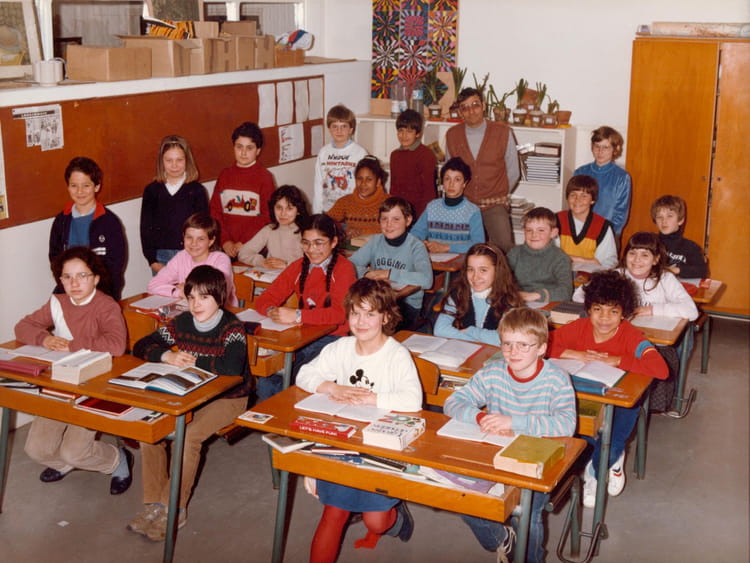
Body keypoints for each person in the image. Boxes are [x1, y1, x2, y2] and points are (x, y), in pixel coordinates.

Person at [296, 278, 421, 562]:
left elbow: (413, 400)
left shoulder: (396, 355)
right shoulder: (341, 348)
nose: (361, 322)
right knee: (334, 511)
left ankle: (396, 517)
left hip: (379, 445)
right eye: (355, 313)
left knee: (375, 522)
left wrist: (372, 398)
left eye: (370, 314)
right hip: (343, 441)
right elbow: (304, 375)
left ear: (386, 317)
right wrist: (332, 387)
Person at [444, 307, 576, 563]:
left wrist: (514, 423)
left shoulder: (557, 379)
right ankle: (504, 539)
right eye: (507, 344)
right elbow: (453, 402)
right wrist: (480, 417)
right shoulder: (493, 373)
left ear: (541, 348)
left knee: (526, 513)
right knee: (460, 496)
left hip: (536, 459)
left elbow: (566, 424)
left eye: (523, 345)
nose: (513, 352)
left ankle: (530, 558)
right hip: (495, 452)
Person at [129, 265, 250, 541]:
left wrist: (194, 361)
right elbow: (142, 345)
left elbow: (232, 368)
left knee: (187, 438)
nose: (196, 304)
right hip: (191, 393)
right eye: (191, 297)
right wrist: (166, 356)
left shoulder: (231, 327)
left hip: (229, 397)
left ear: (220, 298)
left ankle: (174, 507)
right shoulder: (182, 322)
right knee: (151, 431)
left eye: (204, 297)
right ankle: (154, 504)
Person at [16, 247, 132, 494]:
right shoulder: (57, 302)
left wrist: (72, 345)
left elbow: (116, 345)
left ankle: (116, 459)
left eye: (82, 275)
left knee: (75, 451)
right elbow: (22, 327)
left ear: (96, 278)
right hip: (61, 383)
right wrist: (44, 338)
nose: (74, 283)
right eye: (67, 277)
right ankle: (68, 464)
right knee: (36, 450)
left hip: (94, 385)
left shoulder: (106, 305)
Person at [550, 270, 668, 507]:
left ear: (624, 313)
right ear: (588, 309)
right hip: (585, 397)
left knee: (610, 445)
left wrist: (618, 360)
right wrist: (574, 353)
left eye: (613, 311)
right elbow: (538, 345)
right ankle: (606, 460)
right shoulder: (579, 327)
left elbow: (661, 369)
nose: (604, 318)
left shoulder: (631, 336)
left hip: (621, 401)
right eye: (598, 309)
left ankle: (596, 474)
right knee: (574, 436)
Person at [254, 214, 357, 400]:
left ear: (333, 242)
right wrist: (272, 311)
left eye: (319, 243)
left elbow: (340, 314)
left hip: (333, 339)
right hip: (301, 337)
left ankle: (283, 414)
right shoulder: (298, 267)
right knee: (268, 379)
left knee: (290, 380)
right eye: (306, 243)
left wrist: (298, 315)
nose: (312, 250)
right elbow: (264, 299)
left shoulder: (344, 269)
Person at [445, 87, 521, 252]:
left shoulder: (503, 132)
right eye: (465, 107)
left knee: (504, 247)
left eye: (475, 105)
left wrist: (498, 192)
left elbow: (514, 171)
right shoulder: (452, 135)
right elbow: (450, 172)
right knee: (460, 248)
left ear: (484, 106)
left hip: (494, 204)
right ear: (460, 112)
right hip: (464, 204)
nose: (471, 111)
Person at [349, 197, 433, 330]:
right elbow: (350, 264)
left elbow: (426, 280)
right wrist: (367, 274)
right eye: (384, 219)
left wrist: (388, 273)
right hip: (377, 301)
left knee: (377, 326)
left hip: (406, 304)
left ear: (408, 220)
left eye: (396, 219)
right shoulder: (376, 241)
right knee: (355, 318)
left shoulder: (416, 246)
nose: (389, 224)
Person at [49, 156, 126, 299]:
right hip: (68, 291)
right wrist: (68, 287)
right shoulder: (61, 221)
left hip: (101, 293)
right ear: (68, 187)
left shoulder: (109, 222)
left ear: (97, 186)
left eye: (86, 185)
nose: (80, 191)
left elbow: (115, 267)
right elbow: (55, 261)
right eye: (74, 185)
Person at [140, 134, 209, 274]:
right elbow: (145, 228)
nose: (174, 165)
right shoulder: (152, 191)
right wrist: (152, 261)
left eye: (179, 160)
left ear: (187, 160)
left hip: (191, 254)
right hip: (161, 257)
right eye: (169, 160)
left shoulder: (197, 191)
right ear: (161, 161)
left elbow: (205, 229)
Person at [434, 242, 523, 346]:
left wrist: (471, 331)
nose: (475, 277)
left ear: (498, 270)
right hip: (464, 350)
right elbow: (440, 329)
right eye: (470, 270)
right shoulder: (459, 293)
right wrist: (476, 341)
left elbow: (506, 339)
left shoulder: (508, 299)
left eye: (483, 270)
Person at [209, 121, 275, 258]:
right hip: (226, 246)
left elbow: (267, 216)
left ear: (258, 150)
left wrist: (243, 242)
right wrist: (225, 240)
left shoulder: (265, 177)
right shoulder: (224, 175)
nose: (243, 153)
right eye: (239, 147)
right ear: (233, 147)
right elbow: (215, 211)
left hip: (254, 247)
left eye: (249, 148)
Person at [147, 213, 238, 306]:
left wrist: (186, 288)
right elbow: (152, 285)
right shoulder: (181, 257)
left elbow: (218, 295)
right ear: (183, 237)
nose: (194, 243)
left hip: (220, 311)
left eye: (201, 239)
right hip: (190, 308)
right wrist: (178, 292)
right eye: (189, 237)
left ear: (211, 241)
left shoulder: (220, 259)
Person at [411, 156, 485, 254]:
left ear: (464, 183)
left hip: (461, 261)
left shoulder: (472, 211)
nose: (451, 184)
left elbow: (478, 244)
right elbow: (415, 234)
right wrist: (420, 243)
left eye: (457, 179)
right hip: (434, 260)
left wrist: (447, 247)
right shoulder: (432, 207)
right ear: (442, 182)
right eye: (447, 179)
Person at [574, 126, 632, 236]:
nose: (600, 151)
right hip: (581, 230)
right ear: (592, 147)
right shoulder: (580, 172)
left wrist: (609, 233)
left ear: (615, 149)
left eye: (606, 147)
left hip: (608, 232)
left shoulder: (622, 177)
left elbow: (621, 212)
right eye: (597, 146)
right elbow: (573, 203)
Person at [507, 207, 572, 303]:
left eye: (541, 230)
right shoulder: (514, 254)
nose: (534, 235)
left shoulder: (560, 258)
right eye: (529, 230)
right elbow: (501, 279)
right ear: (524, 231)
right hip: (519, 300)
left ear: (553, 233)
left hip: (548, 302)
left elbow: (566, 292)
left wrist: (536, 296)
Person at [237, 184, 308, 269]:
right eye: (279, 208)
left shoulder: (306, 232)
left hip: (297, 274)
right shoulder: (269, 229)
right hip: (272, 275)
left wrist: (286, 264)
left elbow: (313, 262)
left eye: (289, 208)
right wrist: (261, 262)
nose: (283, 213)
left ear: (298, 210)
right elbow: (243, 253)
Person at [313, 104, 368, 213]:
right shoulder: (323, 153)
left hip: (352, 211)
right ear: (329, 128)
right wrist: (317, 213)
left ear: (351, 129)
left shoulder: (360, 153)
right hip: (328, 211)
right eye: (335, 126)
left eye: (343, 126)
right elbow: (318, 184)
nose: (339, 131)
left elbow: (365, 186)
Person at [556, 174, 618, 269]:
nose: (577, 200)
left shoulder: (602, 226)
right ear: (567, 197)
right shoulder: (556, 220)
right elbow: (551, 256)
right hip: (560, 273)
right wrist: (586, 261)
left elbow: (608, 261)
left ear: (592, 200)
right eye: (573, 195)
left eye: (584, 196)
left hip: (591, 275)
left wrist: (570, 259)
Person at [389, 108, 437, 218]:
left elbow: (429, 193)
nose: (404, 135)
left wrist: (421, 219)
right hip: (399, 213)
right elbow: (393, 188)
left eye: (409, 131)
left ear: (418, 133)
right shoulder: (394, 155)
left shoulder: (426, 155)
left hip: (419, 214)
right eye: (401, 130)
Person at [327, 156, 388, 239]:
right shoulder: (345, 202)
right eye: (360, 178)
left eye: (369, 179)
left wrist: (362, 232)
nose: (363, 183)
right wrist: (344, 228)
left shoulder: (389, 203)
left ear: (378, 182)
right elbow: (325, 222)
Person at [650, 195, 708, 279]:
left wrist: (675, 270)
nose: (664, 221)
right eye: (659, 217)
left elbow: (702, 271)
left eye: (669, 216)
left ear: (680, 220)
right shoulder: (649, 242)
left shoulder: (691, 247)